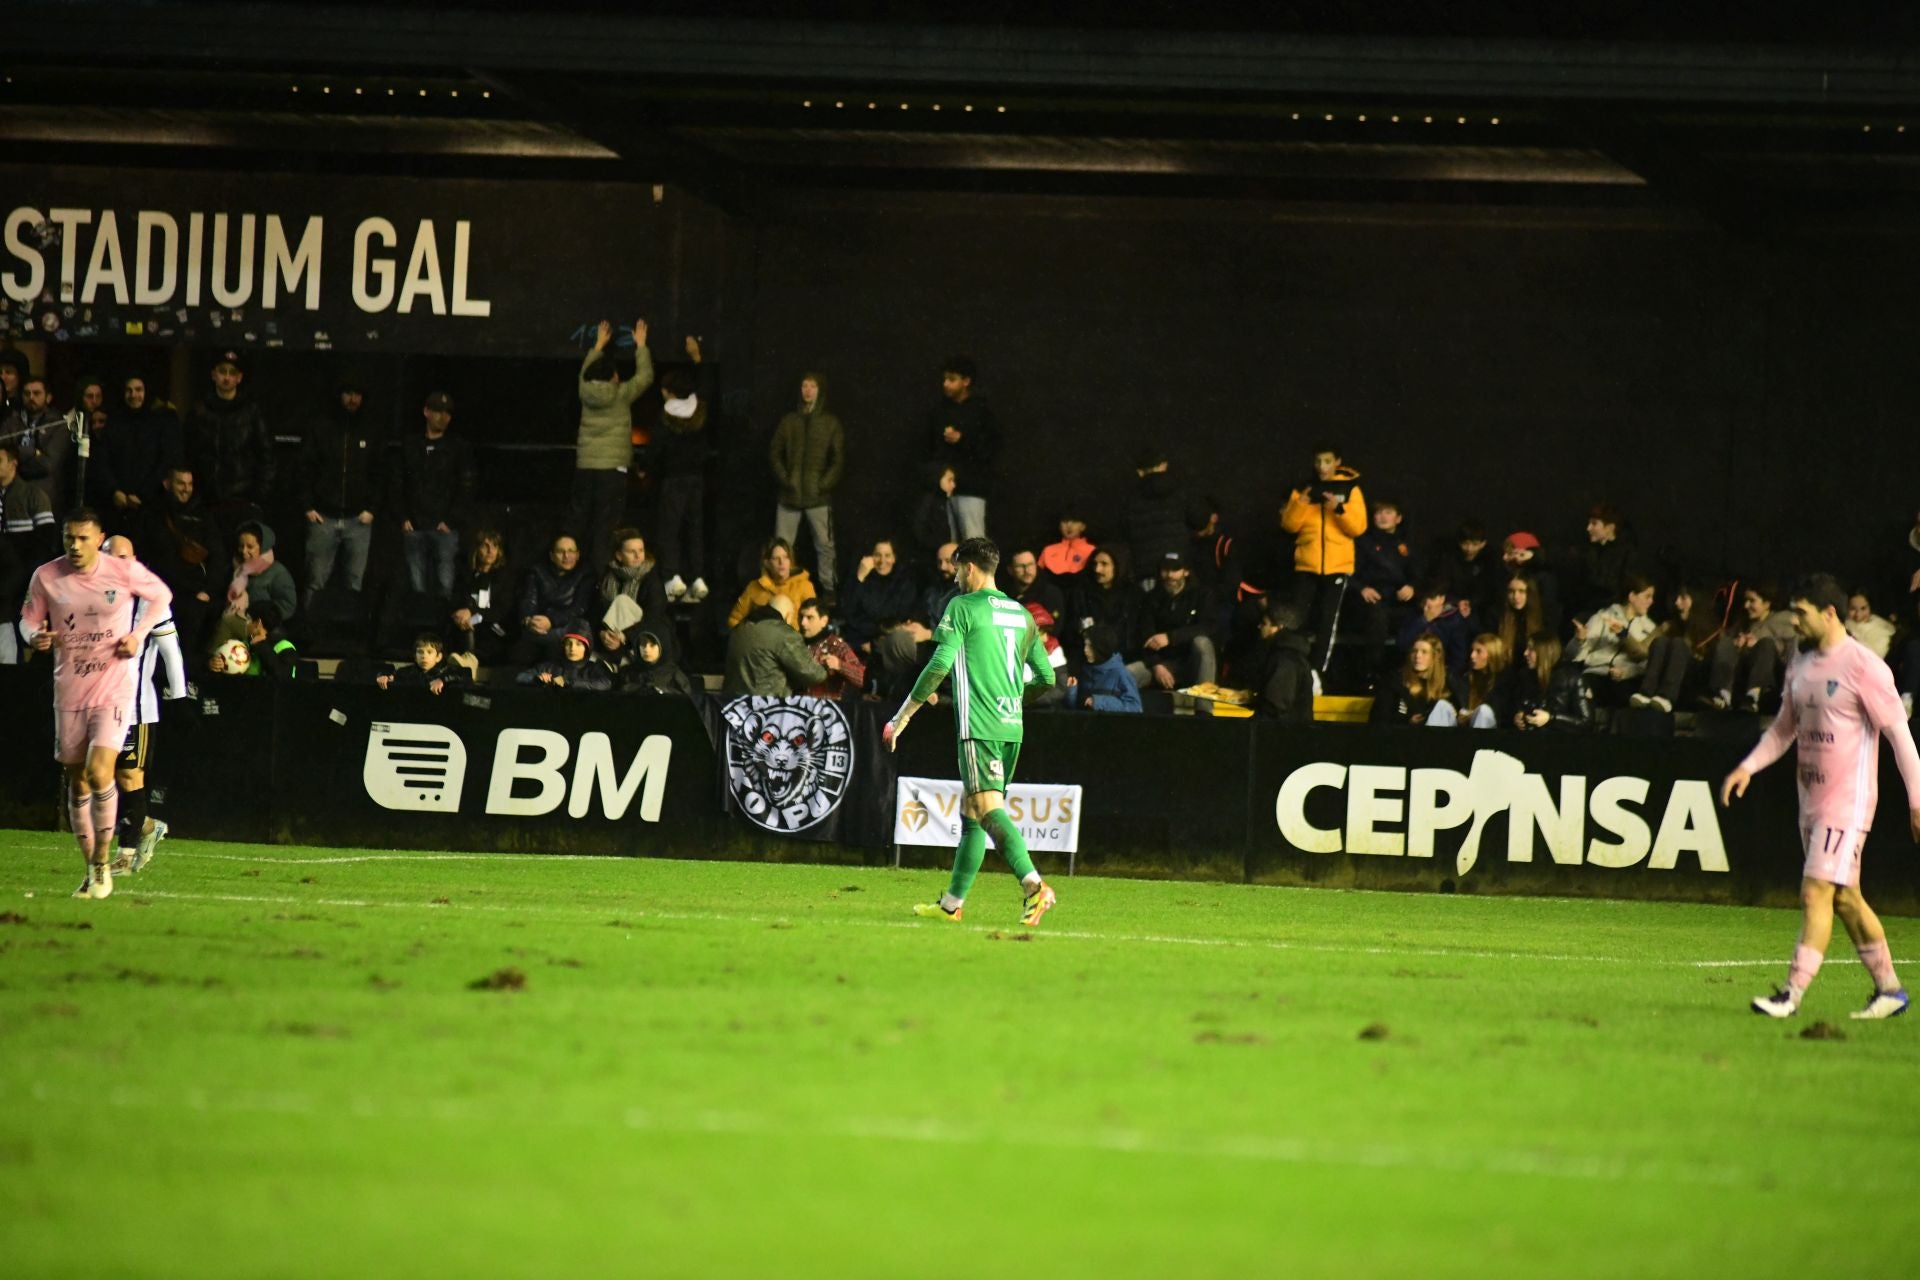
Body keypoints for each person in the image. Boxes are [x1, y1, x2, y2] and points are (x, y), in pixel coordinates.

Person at [1721, 574, 1920, 1020]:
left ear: (1830, 613)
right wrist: (1747, 767)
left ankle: (1790, 994)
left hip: (1846, 803)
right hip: (1810, 800)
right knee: (1846, 897)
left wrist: (1917, 800)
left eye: (1802, 613)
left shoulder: (1864, 667)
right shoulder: (1800, 663)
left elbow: (1899, 737)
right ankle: (1890, 990)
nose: (1794, 621)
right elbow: (1783, 729)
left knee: (1815, 894)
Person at [883, 536, 1057, 927]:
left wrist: (904, 714)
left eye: (958, 569)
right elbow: (1047, 678)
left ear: (970, 568)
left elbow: (940, 662)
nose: (956, 577)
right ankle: (951, 905)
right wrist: (1011, 700)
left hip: (979, 725)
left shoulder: (961, 606)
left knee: (985, 808)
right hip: (1011, 725)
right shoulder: (1021, 614)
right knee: (972, 813)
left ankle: (1034, 887)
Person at [18, 508, 173, 899]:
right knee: (77, 780)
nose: (75, 545)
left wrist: (137, 634)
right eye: (70, 537)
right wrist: (35, 635)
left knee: (100, 769)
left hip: (113, 689)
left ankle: (104, 858)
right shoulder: (47, 577)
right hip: (70, 690)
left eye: (83, 538)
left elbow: (161, 595)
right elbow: (27, 618)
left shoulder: (119, 571)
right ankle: (93, 866)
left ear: (98, 538)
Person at [103, 535, 188, 875]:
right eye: (110, 557)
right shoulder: (92, 597)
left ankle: (124, 856)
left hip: (135, 709)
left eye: (124, 557)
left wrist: (179, 699)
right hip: (96, 702)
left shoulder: (151, 600)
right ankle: (149, 826)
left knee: (128, 776)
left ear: (135, 559)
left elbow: (171, 652)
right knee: (98, 779)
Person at [572, 319, 653, 572]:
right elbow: (645, 377)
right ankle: (600, 576)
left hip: (585, 468)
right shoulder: (620, 395)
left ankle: (576, 571)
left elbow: (585, 370)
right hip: (612, 472)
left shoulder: (584, 391)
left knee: (580, 521)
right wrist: (640, 345)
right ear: (612, 378)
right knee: (606, 527)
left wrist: (598, 345)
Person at [1280, 443, 1366, 671]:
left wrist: (1338, 509)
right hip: (1307, 563)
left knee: (1327, 622)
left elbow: (1358, 528)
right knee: (1296, 619)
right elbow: (1288, 525)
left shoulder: (1350, 488)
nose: (1322, 466)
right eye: (1318, 461)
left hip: (1337, 566)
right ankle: (1292, 670)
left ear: (1337, 462)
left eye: (1327, 461)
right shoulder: (1303, 487)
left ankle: (1317, 673)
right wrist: (1301, 504)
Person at [297, 374, 380, 600]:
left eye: (357, 394)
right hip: (323, 517)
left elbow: (380, 472)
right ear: (339, 395)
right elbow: (304, 467)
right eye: (348, 393)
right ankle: (311, 632)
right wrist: (308, 506)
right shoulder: (321, 426)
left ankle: (352, 632)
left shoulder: (370, 430)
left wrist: (372, 508)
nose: (352, 399)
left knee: (355, 584)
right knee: (315, 582)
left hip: (358, 520)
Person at [393, 390, 477, 602]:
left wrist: (451, 520)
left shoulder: (458, 448)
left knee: (444, 586)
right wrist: (403, 517)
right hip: (415, 525)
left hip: (444, 528)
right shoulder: (411, 445)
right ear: (426, 412)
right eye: (438, 412)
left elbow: (466, 487)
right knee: (416, 587)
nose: (443, 417)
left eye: (447, 413)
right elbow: (399, 483)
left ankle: (442, 632)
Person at [768, 371, 844, 596]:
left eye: (812, 386)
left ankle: (829, 592)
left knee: (825, 547)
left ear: (820, 391)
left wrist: (823, 484)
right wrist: (786, 479)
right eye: (804, 386)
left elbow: (838, 459)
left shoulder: (830, 423)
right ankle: (780, 592)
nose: (808, 390)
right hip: (789, 496)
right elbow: (774, 453)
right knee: (781, 548)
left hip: (818, 497)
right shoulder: (789, 421)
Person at [654, 337, 713, 604]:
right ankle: (698, 578)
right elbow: (706, 386)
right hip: (697, 479)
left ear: (667, 391)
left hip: (673, 480)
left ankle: (672, 577)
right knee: (695, 529)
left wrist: (645, 469)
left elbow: (656, 450)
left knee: (670, 529)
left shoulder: (665, 416)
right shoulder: (699, 408)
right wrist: (697, 358)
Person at [183, 350, 273, 517]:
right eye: (222, 371)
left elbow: (265, 457)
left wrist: (258, 496)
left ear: (239, 378)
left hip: (241, 498)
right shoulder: (199, 411)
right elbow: (189, 454)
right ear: (213, 375)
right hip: (206, 500)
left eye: (232, 373)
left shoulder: (251, 412)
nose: (226, 377)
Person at [1127, 548, 1221, 692]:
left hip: (1192, 662)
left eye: (1175, 569)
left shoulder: (1202, 594)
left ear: (1186, 572)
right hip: (1163, 663)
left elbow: (1209, 626)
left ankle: (1204, 710)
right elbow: (1145, 635)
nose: (1170, 575)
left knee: (1201, 642)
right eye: (1165, 570)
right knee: (1127, 674)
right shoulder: (1152, 598)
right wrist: (1156, 665)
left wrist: (1171, 637)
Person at [926, 357, 998, 540]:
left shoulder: (981, 410)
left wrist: (962, 439)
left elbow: (991, 448)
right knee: (947, 547)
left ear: (966, 381)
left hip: (971, 489)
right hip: (943, 490)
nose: (946, 384)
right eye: (944, 379)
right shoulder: (939, 411)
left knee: (972, 544)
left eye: (952, 379)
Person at [97, 375, 182, 529]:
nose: (134, 395)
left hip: (149, 504)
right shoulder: (114, 422)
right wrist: (114, 491)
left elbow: (164, 462)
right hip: (117, 504)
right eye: (129, 390)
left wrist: (143, 494)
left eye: (138, 390)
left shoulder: (158, 423)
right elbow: (103, 460)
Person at [0, 440, 57, 663]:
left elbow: (45, 541)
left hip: (21, 578)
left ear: (13, 463)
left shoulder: (34, 495)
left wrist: (28, 575)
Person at [1348, 498, 1419, 674]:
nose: (1382, 517)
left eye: (1388, 512)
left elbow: (1417, 574)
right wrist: (1362, 589)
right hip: (1369, 600)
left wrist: (1411, 587)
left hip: (1398, 600)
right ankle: (1373, 673)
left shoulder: (1406, 544)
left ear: (1398, 518)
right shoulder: (1363, 542)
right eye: (1378, 512)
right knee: (1377, 616)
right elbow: (1348, 573)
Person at [1630, 583, 1724, 713]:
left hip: (1692, 685)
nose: (1677, 602)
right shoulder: (1670, 625)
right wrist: (1624, 635)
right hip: (1662, 682)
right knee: (1661, 641)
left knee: (1679, 644)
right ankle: (1646, 692)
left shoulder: (1713, 631)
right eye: (1677, 598)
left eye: (1683, 598)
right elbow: (1643, 650)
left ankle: (1666, 696)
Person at [1706, 582, 1796, 712]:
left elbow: (1791, 652)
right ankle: (1722, 695)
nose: (1746, 605)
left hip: (1772, 676)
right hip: (1742, 674)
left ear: (1767, 603)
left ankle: (1753, 696)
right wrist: (1737, 645)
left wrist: (1757, 644)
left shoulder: (1783, 620)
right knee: (1726, 643)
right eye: (1745, 600)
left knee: (1765, 644)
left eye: (1752, 601)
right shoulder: (1742, 623)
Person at [1569, 573, 1658, 700]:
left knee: (1630, 697)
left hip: (1626, 678)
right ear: (1632, 596)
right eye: (1647, 596)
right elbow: (1574, 655)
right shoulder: (1603, 617)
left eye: (1652, 597)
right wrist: (1579, 640)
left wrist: (1626, 672)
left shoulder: (1649, 628)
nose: (1651, 601)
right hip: (1596, 673)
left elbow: (1648, 663)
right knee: (1583, 690)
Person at [594, 527, 674, 669]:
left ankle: (622, 658)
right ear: (619, 555)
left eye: (641, 550)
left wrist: (624, 637)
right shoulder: (608, 576)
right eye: (632, 552)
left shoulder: (651, 578)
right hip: (612, 638)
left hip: (642, 636)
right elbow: (597, 610)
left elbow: (654, 616)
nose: (638, 556)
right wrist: (602, 633)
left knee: (622, 601)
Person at [721, 594, 828, 697]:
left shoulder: (739, 629)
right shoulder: (784, 634)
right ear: (787, 616)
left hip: (733, 706)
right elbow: (811, 674)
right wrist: (825, 667)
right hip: (767, 707)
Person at [514, 533, 594, 666]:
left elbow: (579, 608)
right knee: (520, 653)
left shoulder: (586, 574)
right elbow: (528, 601)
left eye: (571, 551)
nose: (566, 556)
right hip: (538, 627)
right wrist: (529, 620)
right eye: (560, 551)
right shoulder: (537, 572)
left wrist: (551, 621)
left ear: (577, 555)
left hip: (567, 630)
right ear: (551, 556)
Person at [839, 537, 918, 651]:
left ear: (894, 558)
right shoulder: (861, 579)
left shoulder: (904, 583)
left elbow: (894, 617)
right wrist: (860, 577)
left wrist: (873, 643)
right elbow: (847, 611)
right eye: (877, 555)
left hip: (890, 641)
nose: (882, 561)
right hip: (861, 641)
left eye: (887, 555)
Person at [451, 528, 515, 666]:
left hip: (492, 628)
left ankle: (468, 663)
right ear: (476, 549)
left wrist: (473, 614)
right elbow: (458, 601)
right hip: (467, 628)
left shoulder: (504, 578)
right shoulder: (466, 576)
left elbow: (501, 610)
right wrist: (462, 614)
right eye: (485, 545)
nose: (490, 550)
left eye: (494, 546)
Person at [726, 536, 816, 630]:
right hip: (762, 642)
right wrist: (751, 634)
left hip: (793, 642)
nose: (782, 562)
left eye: (786, 557)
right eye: (776, 558)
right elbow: (734, 619)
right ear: (767, 563)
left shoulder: (804, 586)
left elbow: (814, 622)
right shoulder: (754, 588)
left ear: (791, 561)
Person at [1123, 449, 1187, 580]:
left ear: (1140, 471)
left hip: (1145, 569)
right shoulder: (1179, 490)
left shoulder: (1131, 496)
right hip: (1176, 565)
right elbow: (1199, 520)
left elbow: (1123, 531)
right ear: (1163, 465)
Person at [1370, 633, 1458, 727]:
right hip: (1403, 735)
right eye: (1414, 651)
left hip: (1438, 736)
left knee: (1443, 706)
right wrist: (1408, 721)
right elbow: (1379, 718)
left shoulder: (1446, 683)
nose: (1417, 656)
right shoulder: (1395, 681)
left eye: (1424, 652)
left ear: (1435, 657)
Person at [1252, 599, 1315, 724]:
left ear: (1278, 628)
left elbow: (1274, 708)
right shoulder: (1291, 654)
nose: (1259, 626)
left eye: (1264, 623)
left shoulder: (1285, 660)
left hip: (1284, 737)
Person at [1512, 632, 1592, 732]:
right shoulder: (1525, 676)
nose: (1525, 653)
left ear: (1544, 652)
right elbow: (1519, 706)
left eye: (1531, 649)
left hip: (1561, 742)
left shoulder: (1572, 678)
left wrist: (1552, 718)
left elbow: (1586, 722)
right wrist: (1518, 718)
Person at [1064, 623, 1141, 713]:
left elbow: (1135, 707)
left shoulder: (1120, 673)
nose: (1085, 650)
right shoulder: (1085, 669)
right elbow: (1075, 707)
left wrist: (1098, 702)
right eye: (1085, 645)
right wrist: (1072, 691)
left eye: (1090, 646)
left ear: (1101, 649)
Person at [798, 597, 865, 700]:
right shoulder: (794, 644)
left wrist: (840, 665)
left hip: (828, 708)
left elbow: (862, 678)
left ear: (824, 621)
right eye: (801, 617)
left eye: (809, 617)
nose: (803, 623)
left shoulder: (836, 646)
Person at [516, 630, 613, 693]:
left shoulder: (594, 668)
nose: (572, 648)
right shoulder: (551, 666)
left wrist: (568, 682)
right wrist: (537, 679)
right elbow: (521, 677)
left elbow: (605, 683)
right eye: (568, 644)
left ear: (586, 649)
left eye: (578, 644)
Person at [376, 633, 469, 695]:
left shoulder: (446, 671)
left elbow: (464, 674)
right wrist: (384, 677)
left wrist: (442, 680)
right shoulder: (406, 672)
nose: (424, 656)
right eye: (420, 652)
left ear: (438, 657)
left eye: (429, 652)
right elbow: (392, 675)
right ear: (415, 657)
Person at [1457, 633, 1514, 729]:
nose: (1472, 655)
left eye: (1478, 651)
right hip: (1464, 728)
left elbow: (1500, 712)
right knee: (1442, 706)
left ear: (1492, 655)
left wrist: (1473, 714)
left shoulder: (1506, 679)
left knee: (1484, 711)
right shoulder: (1465, 676)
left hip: (1494, 732)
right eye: (1472, 651)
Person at [620, 630, 695, 698]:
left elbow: (685, 699)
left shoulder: (673, 672)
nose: (646, 649)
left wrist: (662, 691)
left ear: (661, 646)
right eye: (643, 644)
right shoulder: (630, 672)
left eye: (652, 645)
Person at [1004, 546, 1065, 622]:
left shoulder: (1051, 594)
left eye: (1030, 564)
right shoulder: (1002, 595)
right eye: (1020, 566)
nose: (1027, 570)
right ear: (1010, 570)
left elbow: (1053, 628)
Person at [1846, 588, 1897, 659]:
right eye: (1853, 609)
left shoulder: (1882, 632)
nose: (1858, 614)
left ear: (1870, 608)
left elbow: (1874, 659)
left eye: (1863, 608)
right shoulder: (1839, 627)